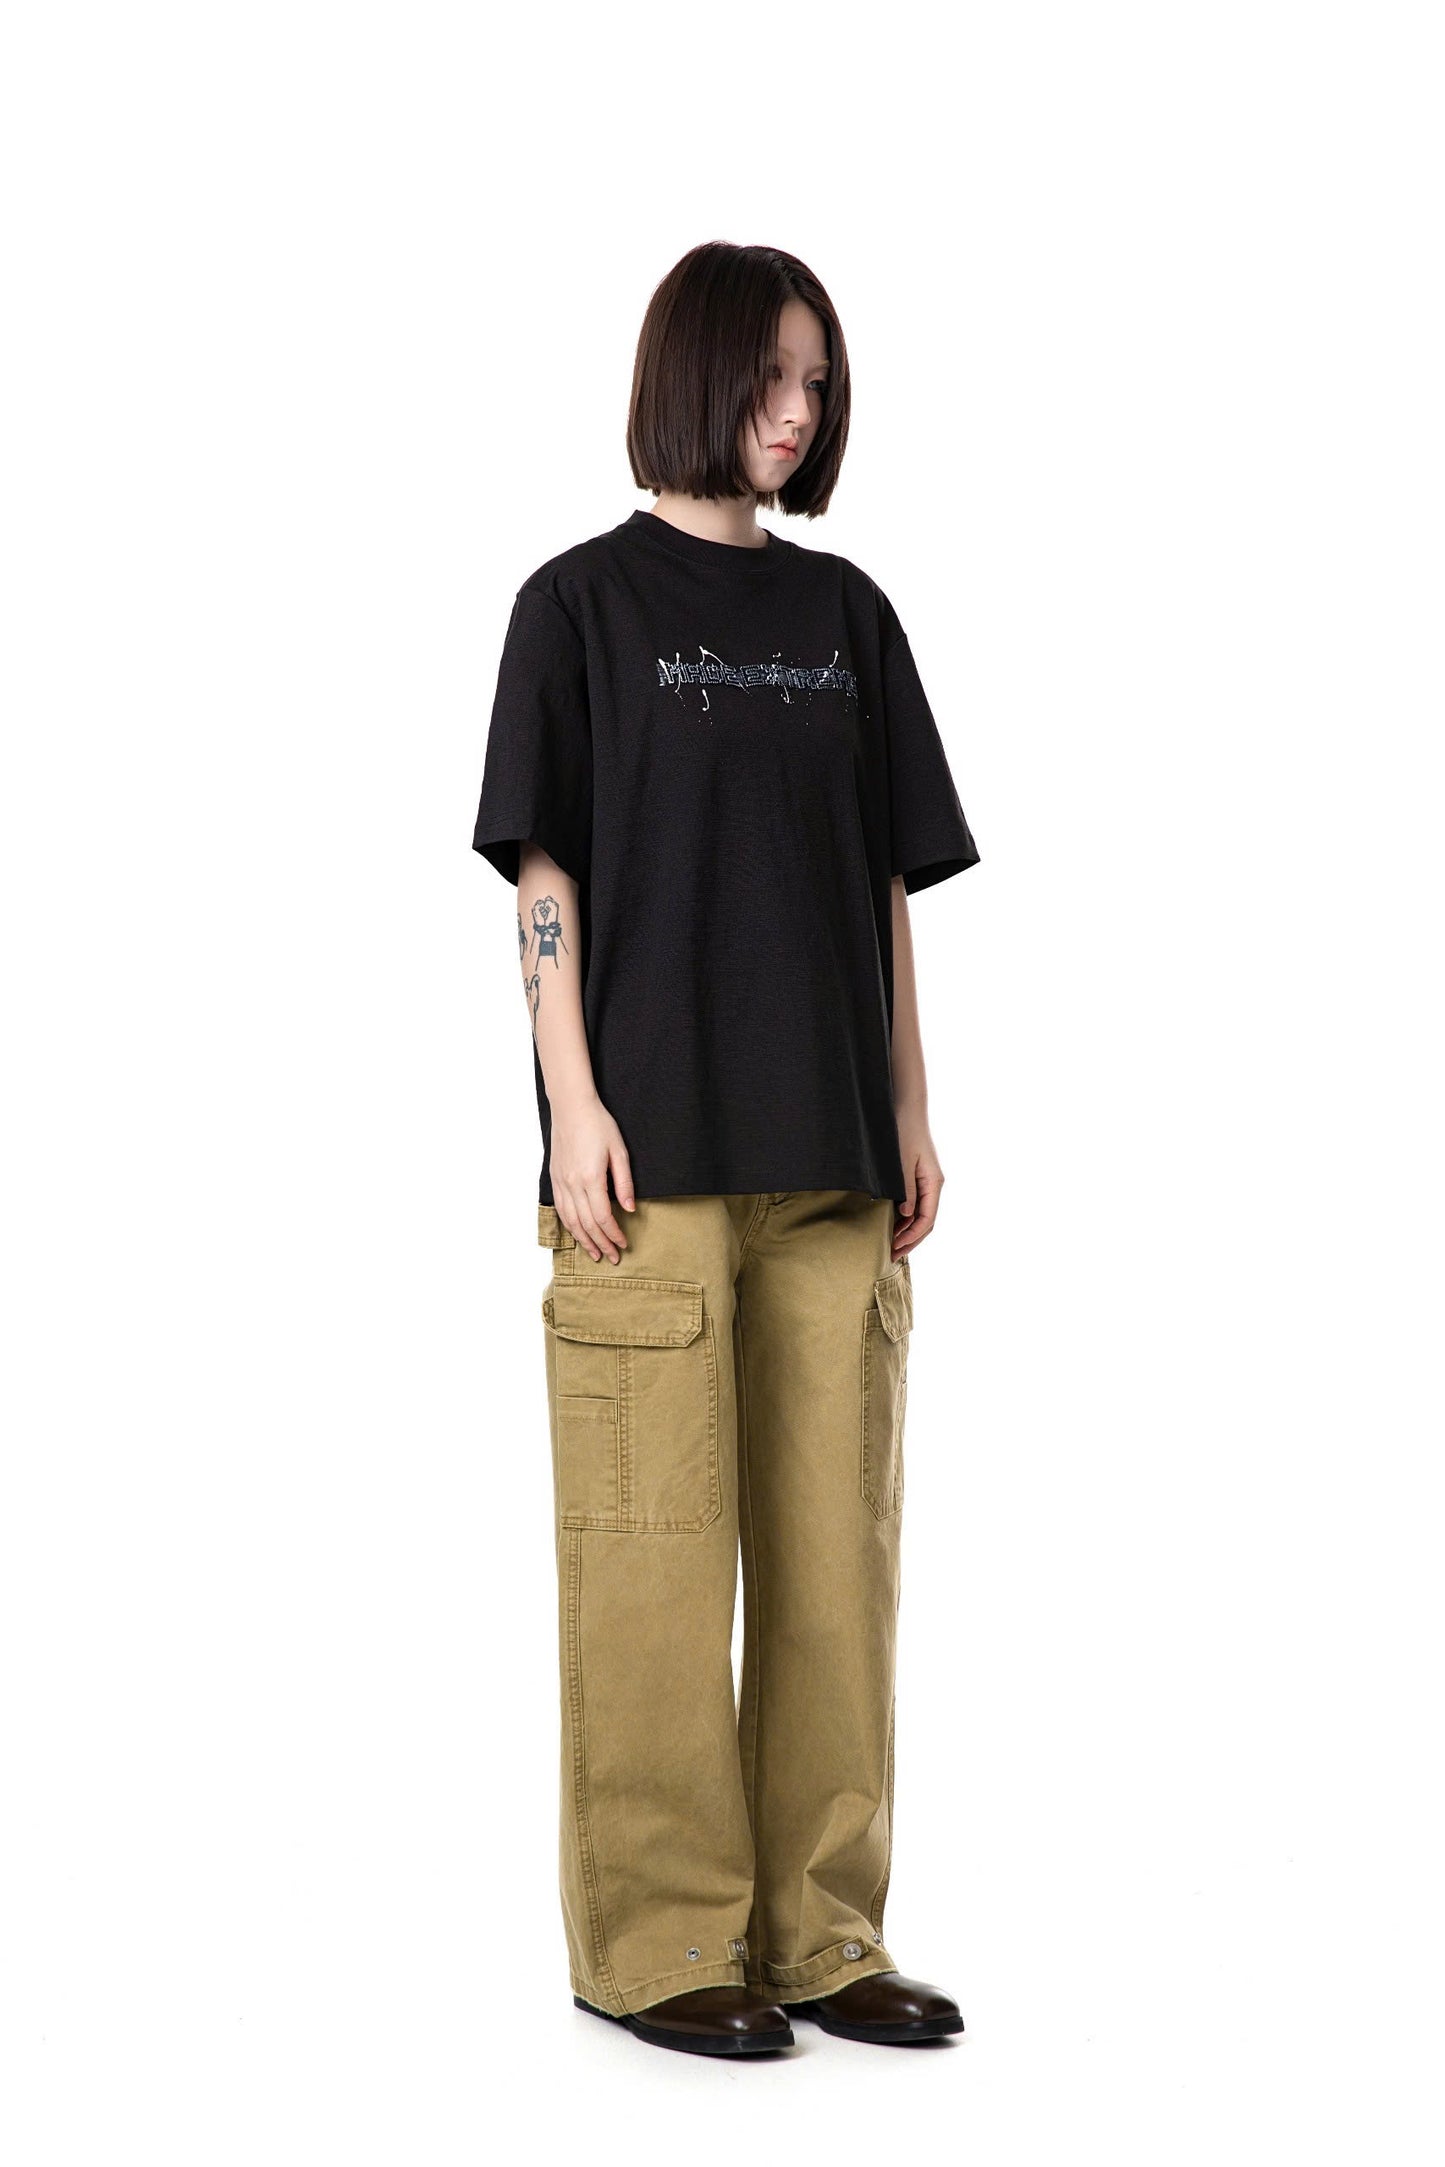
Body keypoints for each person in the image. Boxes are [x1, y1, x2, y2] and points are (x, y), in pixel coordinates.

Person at [471, 241, 980, 2057]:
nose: (795, 410)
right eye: (770, 375)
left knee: (838, 1571)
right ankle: (661, 1943)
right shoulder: (575, 607)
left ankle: (822, 1934)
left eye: (816, 383)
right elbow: (543, 873)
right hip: (649, 1169)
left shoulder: (848, 617)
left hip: (830, 1165)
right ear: (691, 374)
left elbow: (887, 886)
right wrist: (571, 1100)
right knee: (654, 1568)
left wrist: (910, 1106)